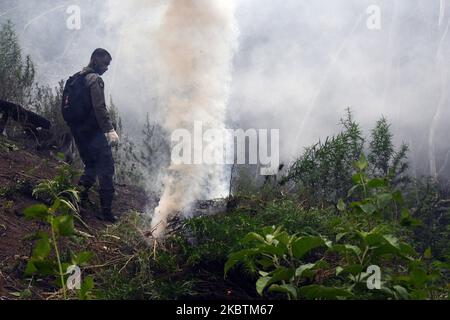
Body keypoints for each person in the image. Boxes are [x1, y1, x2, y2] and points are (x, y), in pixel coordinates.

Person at [62, 48, 119, 222]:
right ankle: (106, 213)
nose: (107, 68)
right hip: (93, 133)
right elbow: (99, 108)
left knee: (91, 166)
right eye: (105, 63)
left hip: (78, 131)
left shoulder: (76, 78)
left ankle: (77, 199)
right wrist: (109, 130)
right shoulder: (94, 80)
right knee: (107, 168)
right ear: (95, 60)